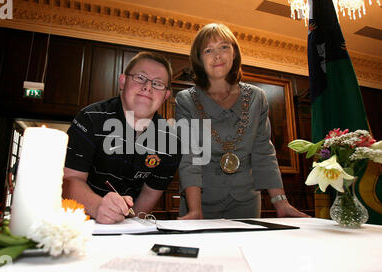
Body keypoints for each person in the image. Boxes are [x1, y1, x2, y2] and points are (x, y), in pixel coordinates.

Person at [175, 23, 309, 219]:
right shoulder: (186, 100)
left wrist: (281, 202)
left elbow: (264, 152)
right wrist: (195, 210)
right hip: (201, 202)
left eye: (224, 47)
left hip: (246, 201)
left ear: (234, 53)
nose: (217, 55)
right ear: (199, 59)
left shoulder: (257, 97)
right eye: (208, 50)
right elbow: (190, 157)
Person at [62, 52, 181, 224]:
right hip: (79, 222)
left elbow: (149, 195)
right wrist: (98, 206)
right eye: (140, 78)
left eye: (157, 83)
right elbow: (70, 180)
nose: (148, 86)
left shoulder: (172, 143)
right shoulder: (89, 119)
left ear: (166, 95)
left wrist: (130, 227)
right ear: (123, 81)